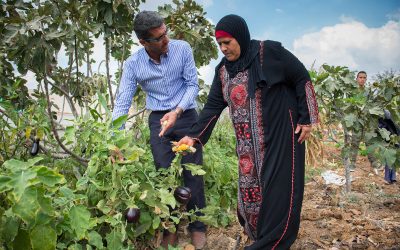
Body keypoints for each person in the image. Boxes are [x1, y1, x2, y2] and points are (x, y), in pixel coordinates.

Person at [176, 14, 319, 249]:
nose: (223, 49)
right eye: (219, 44)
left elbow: (301, 76)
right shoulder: (223, 71)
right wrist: (194, 136)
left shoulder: (268, 53)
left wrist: (307, 118)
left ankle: (272, 243)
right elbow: (212, 107)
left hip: (281, 136)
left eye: (227, 43)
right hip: (248, 146)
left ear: (240, 37)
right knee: (250, 195)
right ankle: (259, 237)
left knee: (279, 195)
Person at [111, 11, 207, 249]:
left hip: (185, 116)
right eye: (159, 38)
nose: (166, 40)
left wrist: (177, 111)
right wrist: (115, 141)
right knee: (162, 175)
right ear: (143, 42)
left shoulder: (182, 49)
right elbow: (123, 101)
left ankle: (198, 225)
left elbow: (192, 85)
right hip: (158, 121)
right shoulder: (133, 64)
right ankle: (170, 227)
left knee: (192, 173)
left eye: (166, 33)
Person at [349, 71, 380, 172]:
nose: (362, 79)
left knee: (369, 142)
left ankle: (374, 163)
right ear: (357, 78)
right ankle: (352, 164)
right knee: (355, 142)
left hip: (367, 121)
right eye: (360, 77)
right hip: (356, 121)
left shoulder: (368, 91)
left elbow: (372, 105)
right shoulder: (353, 91)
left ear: (366, 79)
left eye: (364, 78)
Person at [378, 110, 399, 184]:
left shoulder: (386, 123)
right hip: (391, 143)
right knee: (390, 160)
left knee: (390, 160)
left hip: (392, 143)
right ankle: (391, 179)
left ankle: (389, 178)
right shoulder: (388, 122)